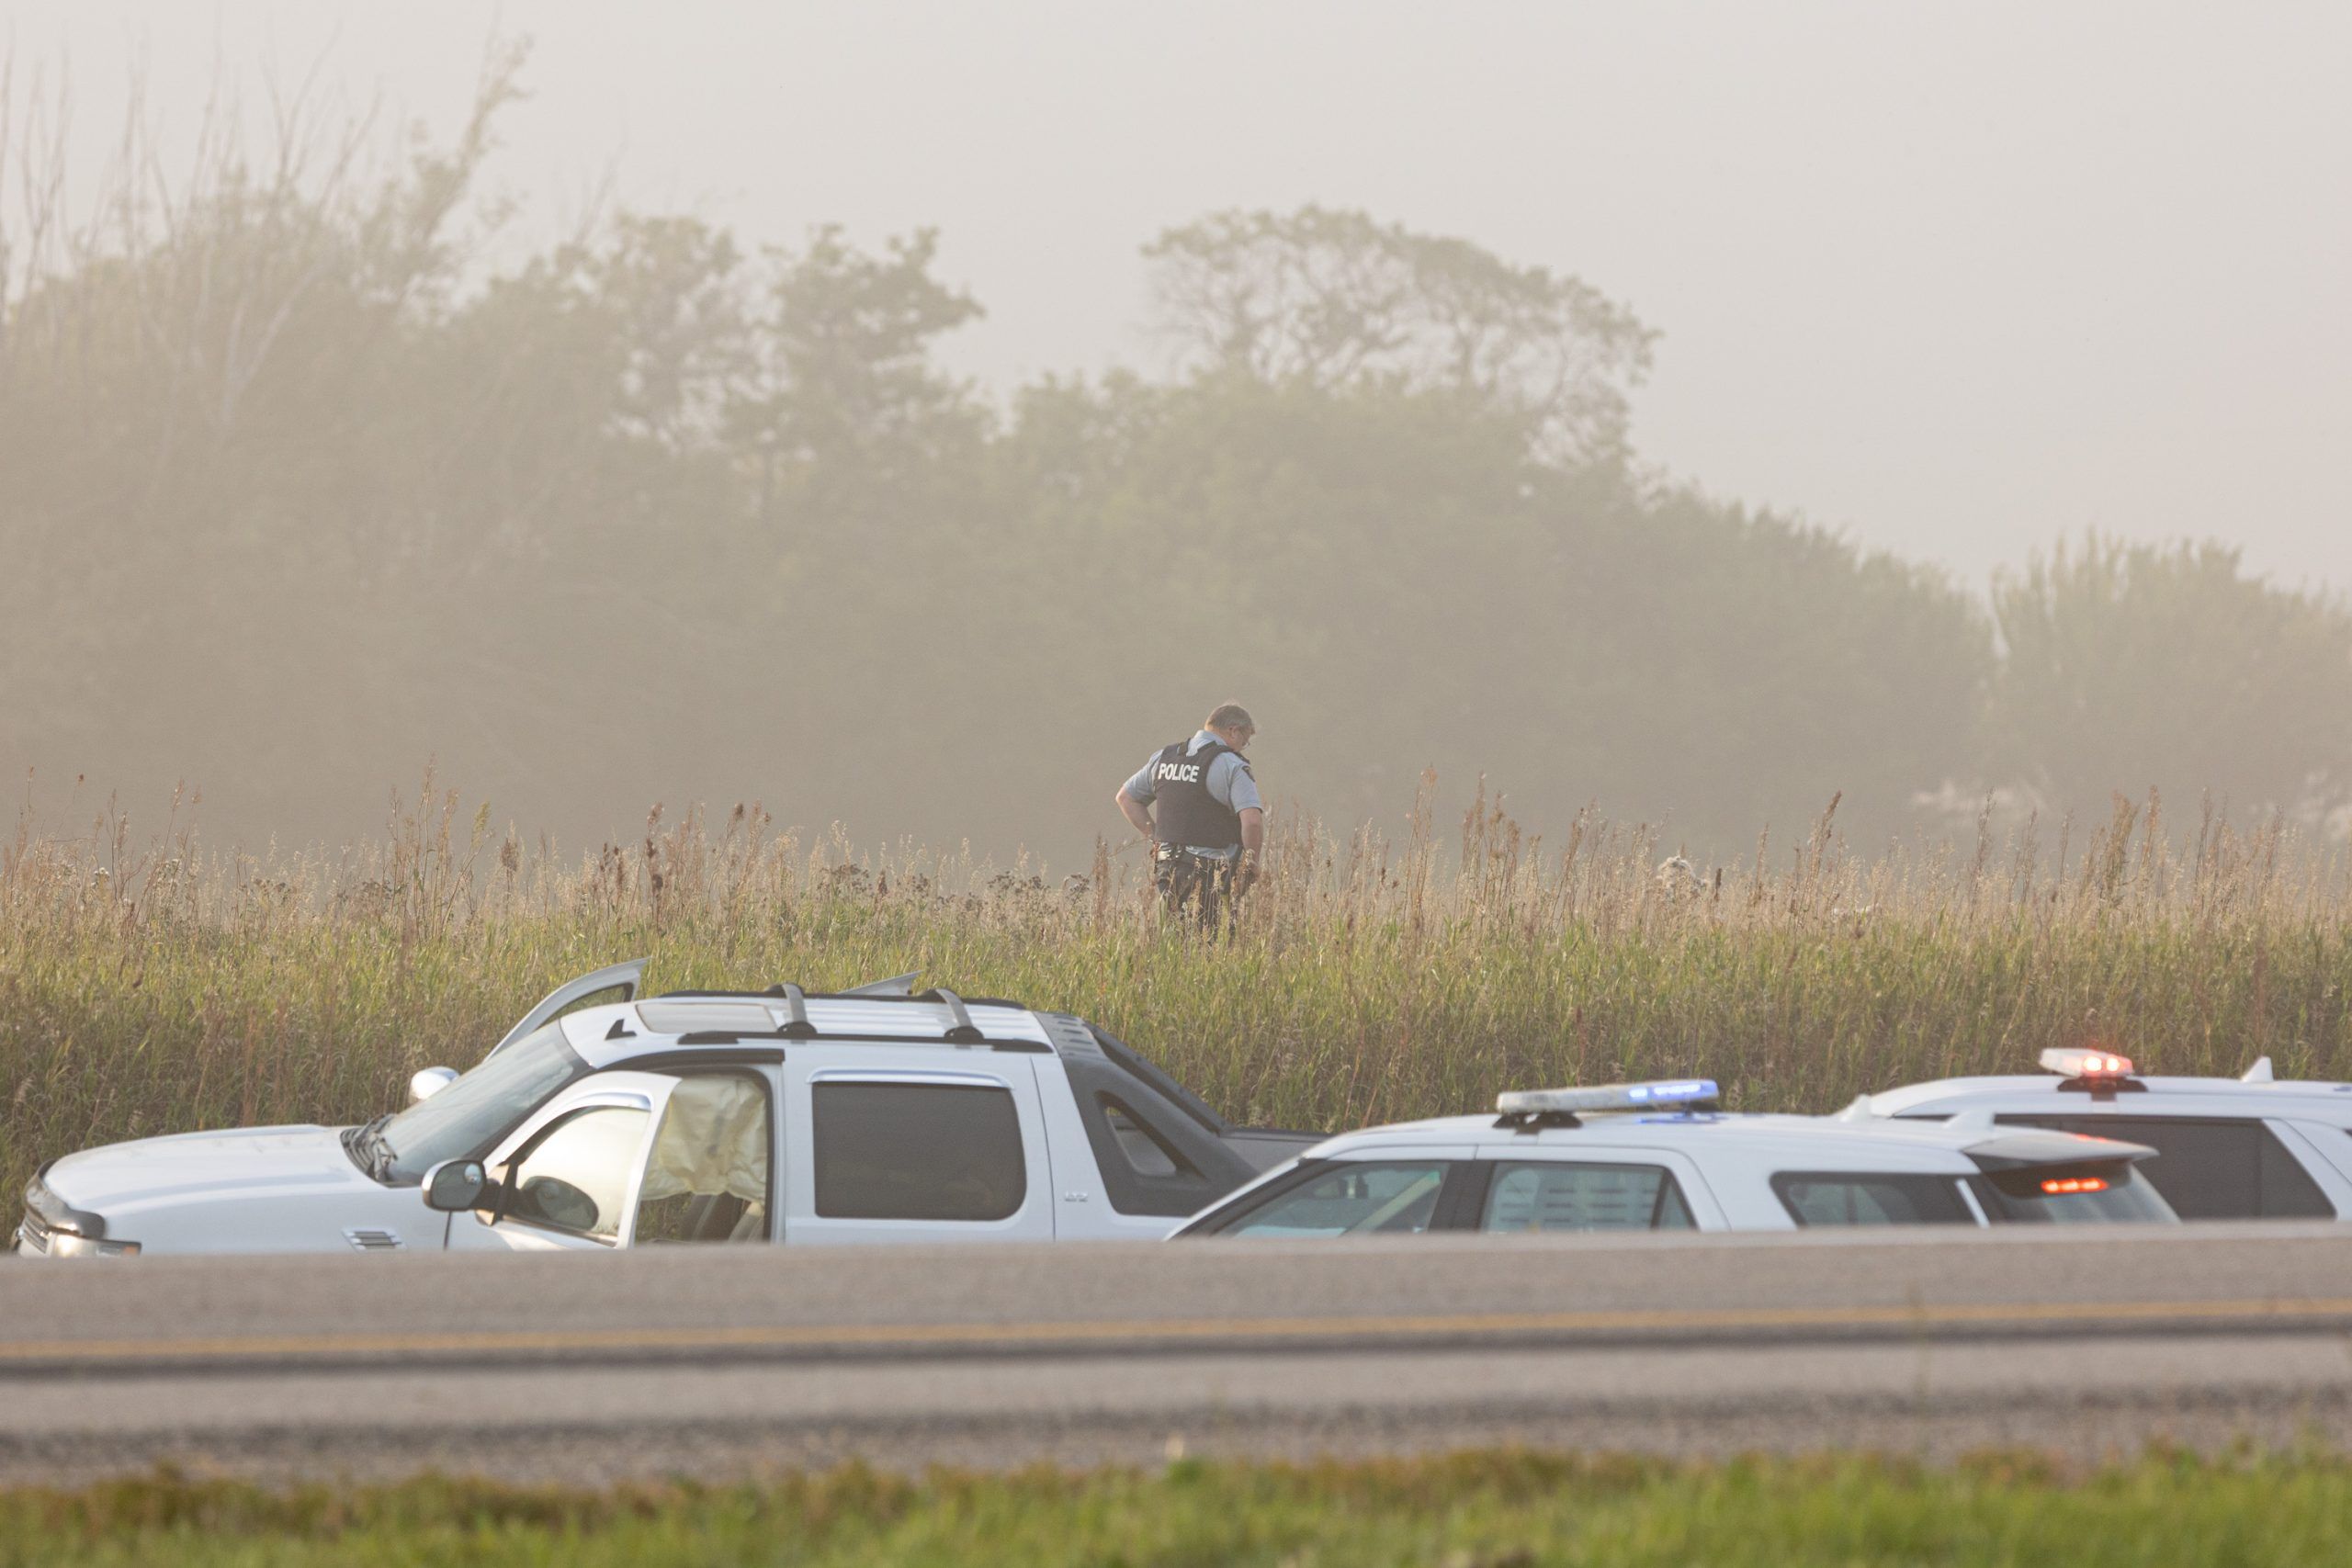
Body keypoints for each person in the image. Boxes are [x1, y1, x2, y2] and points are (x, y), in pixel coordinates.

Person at [1114, 703, 1264, 929]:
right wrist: (1251, 864)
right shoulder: (1231, 765)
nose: (1243, 748)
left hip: (1167, 870)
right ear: (1233, 730)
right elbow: (1252, 821)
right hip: (1210, 874)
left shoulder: (1164, 758)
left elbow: (1126, 798)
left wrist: (1156, 837)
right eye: (1244, 741)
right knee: (1212, 942)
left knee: (1176, 940)